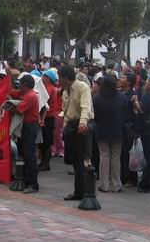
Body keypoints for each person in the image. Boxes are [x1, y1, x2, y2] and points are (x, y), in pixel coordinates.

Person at [59, 65, 93, 202]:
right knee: (74, 161)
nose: (59, 81)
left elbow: (86, 106)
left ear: (65, 78)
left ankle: (83, 192)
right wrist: (65, 126)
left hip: (80, 126)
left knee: (81, 161)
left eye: (60, 78)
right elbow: (65, 111)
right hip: (70, 126)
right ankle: (79, 191)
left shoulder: (82, 87)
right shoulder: (65, 92)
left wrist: (83, 122)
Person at [92, 73, 126, 192]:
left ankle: (104, 184)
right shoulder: (121, 97)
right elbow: (125, 112)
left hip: (102, 130)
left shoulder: (97, 98)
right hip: (117, 130)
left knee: (104, 157)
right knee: (116, 157)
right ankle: (116, 184)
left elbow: (94, 115)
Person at [8, 74, 40, 194]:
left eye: (21, 84)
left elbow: (19, 110)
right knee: (25, 153)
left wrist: (11, 106)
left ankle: (33, 184)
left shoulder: (30, 96)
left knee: (29, 155)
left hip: (29, 127)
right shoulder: (29, 95)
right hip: (28, 126)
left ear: (25, 85)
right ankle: (26, 180)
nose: (19, 86)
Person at [39, 68, 59, 172]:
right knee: (45, 142)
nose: (42, 77)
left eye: (44, 76)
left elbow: (43, 103)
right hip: (49, 117)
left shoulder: (48, 89)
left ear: (48, 78)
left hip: (47, 118)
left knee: (46, 142)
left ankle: (45, 163)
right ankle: (44, 163)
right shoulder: (50, 88)